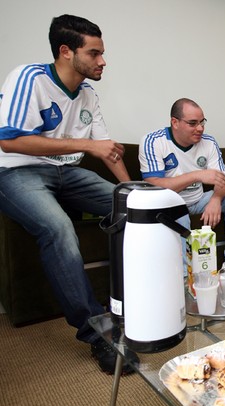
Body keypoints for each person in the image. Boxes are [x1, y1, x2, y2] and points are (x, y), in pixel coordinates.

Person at [0, 15, 135, 374]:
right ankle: (99, 334)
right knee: (58, 228)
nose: (102, 61)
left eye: (102, 53)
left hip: (68, 172)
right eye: (94, 53)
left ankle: (129, 304)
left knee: (134, 210)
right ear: (66, 51)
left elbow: (106, 149)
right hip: (16, 171)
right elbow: (8, 139)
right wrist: (84, 145)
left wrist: (131, 193)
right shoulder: (29, 78)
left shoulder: (89, 94)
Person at [139, 98, 225, 274]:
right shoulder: (153, 141)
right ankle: (185, 276)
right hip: (170, 203)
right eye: (193, 123)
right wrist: (197, 175)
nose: (200, 128)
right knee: (179, 215)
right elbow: (154, 186)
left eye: (202, 122)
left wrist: (216, 198)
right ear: (175, 122)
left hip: (199, 199)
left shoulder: (208, 142)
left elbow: (224, 181)